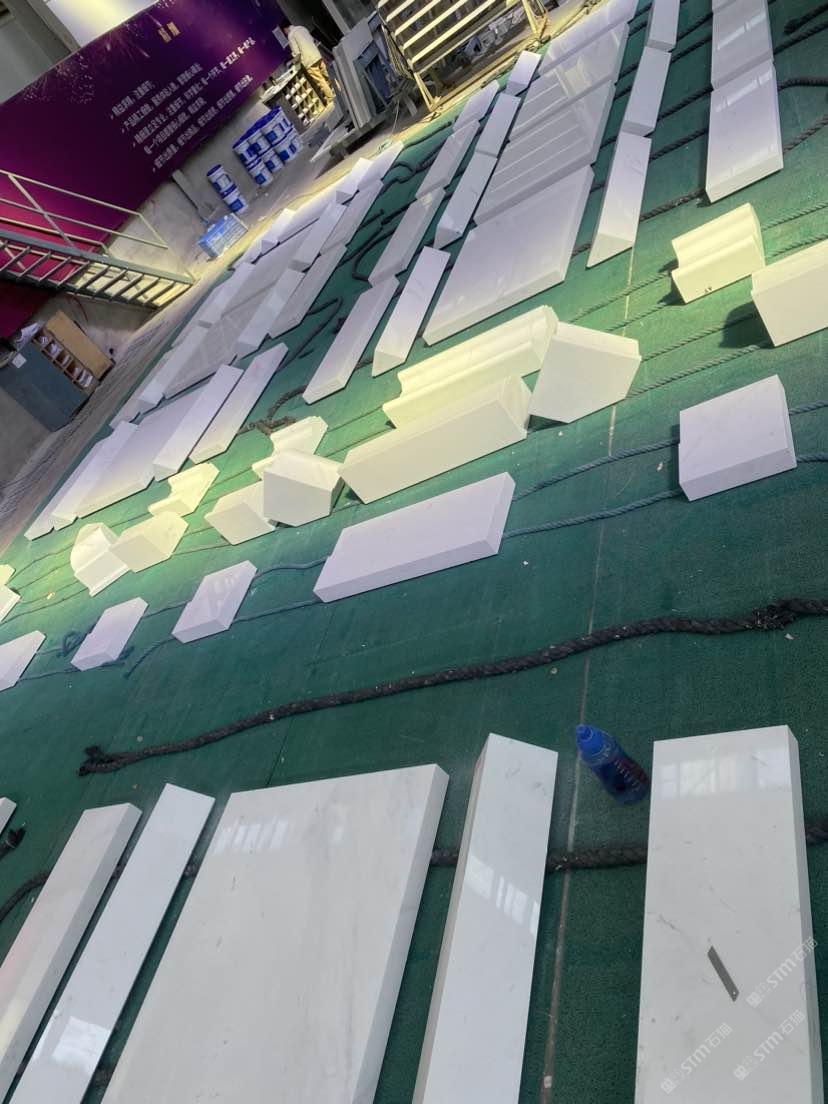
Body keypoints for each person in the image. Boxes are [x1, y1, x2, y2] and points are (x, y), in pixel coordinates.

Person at [284, 23, 334, 106]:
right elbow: (312, 39)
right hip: (317, 55)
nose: (285, 34)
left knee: (320, 80)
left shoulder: (291, 35)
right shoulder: (302, 27)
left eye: (284, 32)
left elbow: (297, 53)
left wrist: (292, 63)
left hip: (309, 61)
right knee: (327, 74)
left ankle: (330, 97)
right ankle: (338, 88)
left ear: (285, 29)